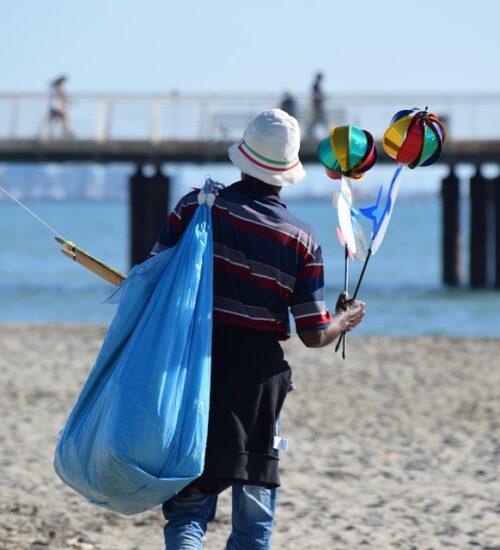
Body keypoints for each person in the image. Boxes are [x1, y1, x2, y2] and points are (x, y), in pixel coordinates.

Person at [151, 109, 365, 549]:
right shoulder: (300, 238)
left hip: (193, 373)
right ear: (288, 173)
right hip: (258, 388)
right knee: (253, 527)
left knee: (189, 512)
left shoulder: (195, 206)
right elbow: (312, 333)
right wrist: (342, 320)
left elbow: (153, 277)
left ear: (242, 159)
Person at [306, 72, 328, 139]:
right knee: (319, 119)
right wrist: (322, 97)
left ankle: (309, 133)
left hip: (318, 106)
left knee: (316, 120)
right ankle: (309, 133)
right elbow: (315, 95)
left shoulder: (317, 85)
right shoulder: (316, 85)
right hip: (317, 106)